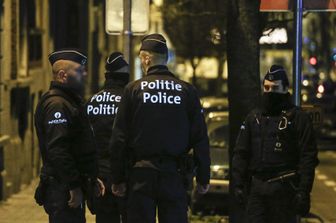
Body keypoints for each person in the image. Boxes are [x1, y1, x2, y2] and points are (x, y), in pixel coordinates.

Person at [109, 33, 211, 223]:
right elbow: (200, 137)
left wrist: (117, 178)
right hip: (175, 175)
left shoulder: (133, 90)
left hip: (140, 175)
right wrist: (204, 177)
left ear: (147, 59)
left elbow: (119, 139)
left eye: (141, 59)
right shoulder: (186, 91)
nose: (141, 63)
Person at [232, 65, 319, 223]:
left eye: (275, 88)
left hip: (285, 190)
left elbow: (308, 158)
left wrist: (303, 192)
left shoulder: (298, 118)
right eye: (266, 87)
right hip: (257, 189)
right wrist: (238, 184)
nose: (270, 92)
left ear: (285, 88)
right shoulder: (254, 118)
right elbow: (241, 153)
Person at [34, 49, 101, 223]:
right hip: (62, 188)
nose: (84, 74)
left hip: (68, 186)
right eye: (79, 71)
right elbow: (58, 150)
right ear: (63, 75)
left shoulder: (69, 101)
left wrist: (91, 177)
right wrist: (73, 186)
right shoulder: (57, 105)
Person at [86, 52, 129, 223]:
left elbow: (85, 140)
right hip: (125, 176)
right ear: (125, 76)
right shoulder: (129, 101)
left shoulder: (92, 101)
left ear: (107, 76)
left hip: (99, 177)